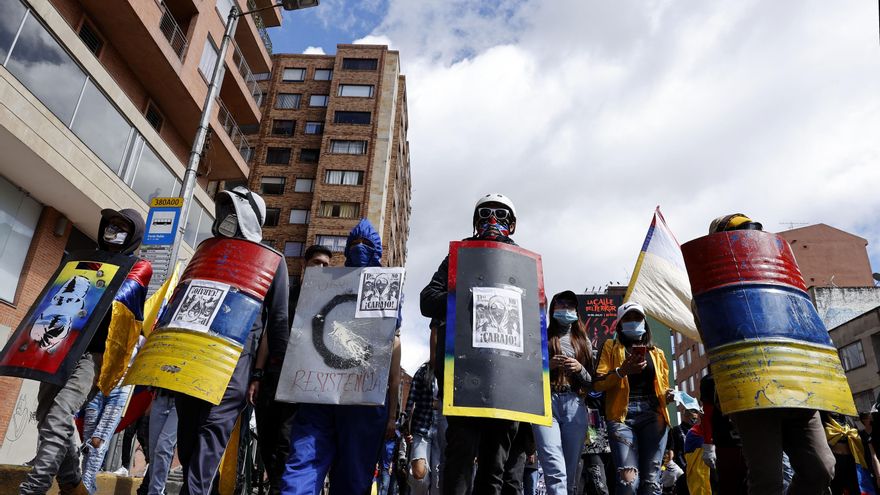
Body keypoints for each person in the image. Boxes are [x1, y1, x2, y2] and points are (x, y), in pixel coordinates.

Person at [701, 214, 836, 495]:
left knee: (821, 468)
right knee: (768, 481)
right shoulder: (710, 294)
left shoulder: (782, 281)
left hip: (797, 387)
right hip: (753, 393)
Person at [20, 208, 151, 495]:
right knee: (46, 416)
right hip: (60, 348)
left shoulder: (139, 266)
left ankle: (34, 487)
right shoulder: (83, 259)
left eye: (121, 227)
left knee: (58, 415)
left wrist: (91, 276)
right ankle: (72, 484)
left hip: (95, 356)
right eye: (111, 224)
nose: (113, 231)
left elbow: (117, 297)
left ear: (134, 235)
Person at [173, 186, 289, 494]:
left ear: (248, 216)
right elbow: (180, 302)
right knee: (188, 445)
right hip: (191, 362)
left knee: (209, 437)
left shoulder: (272, 261)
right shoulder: (206, 252)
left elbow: (278, 320)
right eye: (222, 209)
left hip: (234, 365)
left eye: (232, 210)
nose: (225, 217)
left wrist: (275, 376)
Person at [281, 218, 402, 495]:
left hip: (355, 395)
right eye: (355, 243)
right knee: (308, 463)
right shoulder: (328, 285)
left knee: (345, 473)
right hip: (326, 392)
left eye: (366, 244)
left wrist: (392, 412)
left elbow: (392, 348)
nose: (360, 248)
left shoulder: (381, 287)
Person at [420, 193, 523, 495]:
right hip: (464, 376)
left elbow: (533, 319)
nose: (493, 220)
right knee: (460, 459)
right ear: (476, 221)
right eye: (486, 213)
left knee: (495, 466)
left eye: (501, 215)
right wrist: (467, 295)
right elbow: (427, 300)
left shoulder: (523, 264)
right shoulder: (457, 256)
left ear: (513, 225)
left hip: (506, 381)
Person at [249, 244, 332, 495]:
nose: (320, 267)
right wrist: (257, 374)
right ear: (305, 265)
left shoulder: (329, 300)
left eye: (326, 265)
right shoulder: (287, 295)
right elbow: (267, 334)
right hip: (273, 376)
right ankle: (274, 481)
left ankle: (278, 487)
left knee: (287, 440)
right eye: (316, 262)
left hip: (303, 383)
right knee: (266, 436)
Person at [594, 301, 673, 495]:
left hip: (654, 416)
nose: (633, 322)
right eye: (627, 318)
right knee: (628, 481)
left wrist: (668, 395)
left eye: (637, 318)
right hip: (622, 418)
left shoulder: (657, 354)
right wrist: (622, 371)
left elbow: (662, 387)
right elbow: (598, 383)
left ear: (644, 322)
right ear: (619, 324)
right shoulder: (610, 347)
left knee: (652, 481)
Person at [533, 290, 593, 495]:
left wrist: (579, 369)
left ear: (576, 311)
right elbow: (528, 375)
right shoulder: (542, 337)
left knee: (569, 473)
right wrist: (547, 366)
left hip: (575, 404)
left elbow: (593, 383)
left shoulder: (584, 342)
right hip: (546, 403)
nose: (565, 309)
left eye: (570, 305)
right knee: (554, 468)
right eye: (560, 304)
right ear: (552, 309)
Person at [697, 373, 745, 495]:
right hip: (725, 442)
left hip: (751, 438)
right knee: (729, 485)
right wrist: (708, 444)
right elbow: (706, 415)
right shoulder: (710, 380)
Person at [406, 357, 445, 495]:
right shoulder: (423, 372)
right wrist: (406, 428)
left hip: (444, 425)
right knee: (419, 473)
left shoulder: (452, 370)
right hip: (422, 424)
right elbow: (410, 401)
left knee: (439, 477)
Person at [667, 408, 697, 495]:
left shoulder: (697, 431)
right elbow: (671, 448)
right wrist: (670, 463)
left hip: (695, 467)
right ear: (685, 416)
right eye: (693, 418)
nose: (694, 421)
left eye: (696, 418)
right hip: (681, 467)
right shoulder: (676, 430)